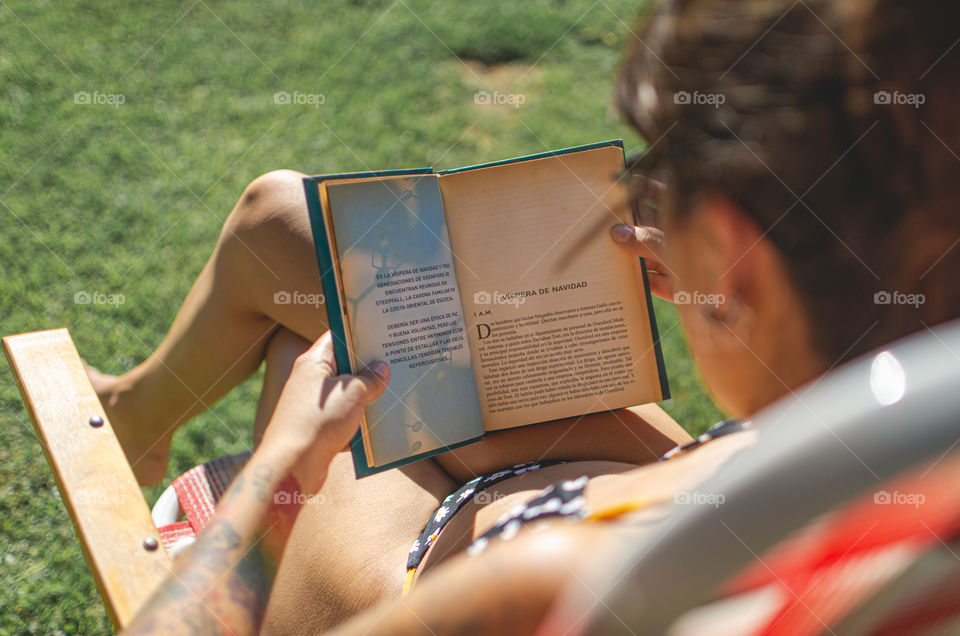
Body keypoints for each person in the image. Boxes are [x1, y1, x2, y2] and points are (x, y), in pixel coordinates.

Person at [107, 0, 960, 632]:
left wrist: (285, 469)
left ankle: (145, 432)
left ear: (737, 246)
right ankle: (137, 419)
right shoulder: (921, 479)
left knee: (317, 325)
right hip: (667, 483)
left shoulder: (567, 591)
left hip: (455, 563)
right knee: (291, 227)